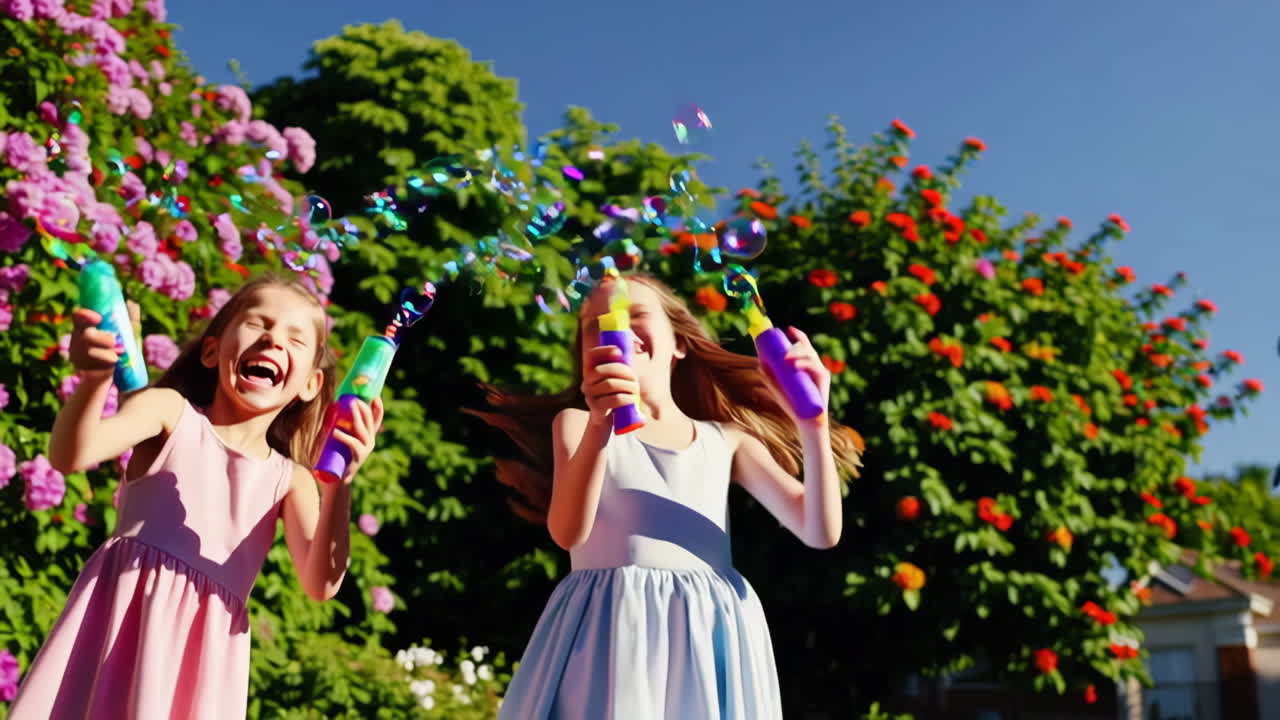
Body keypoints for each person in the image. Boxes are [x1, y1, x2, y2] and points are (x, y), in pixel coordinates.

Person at [472, 274, 863, 718]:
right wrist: (603, 426)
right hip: (613, 632)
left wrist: (812, 422)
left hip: (710, 631)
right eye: (593, 326)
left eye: (634, 315)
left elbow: (819, 530)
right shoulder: (579, 425)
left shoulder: (727, 440)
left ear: (679, 342)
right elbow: (567, 533)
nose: (613, 329)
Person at [9, 275, 382, 720]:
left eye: (294, 338)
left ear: (310, 385)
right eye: (258, 324)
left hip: (199, 674)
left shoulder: (292, 481)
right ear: (212, 350)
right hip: (115, 637)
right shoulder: (169, 412)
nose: (271, 339)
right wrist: (95, 381)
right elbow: (71, 455)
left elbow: (320, 584)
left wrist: (339, 485)